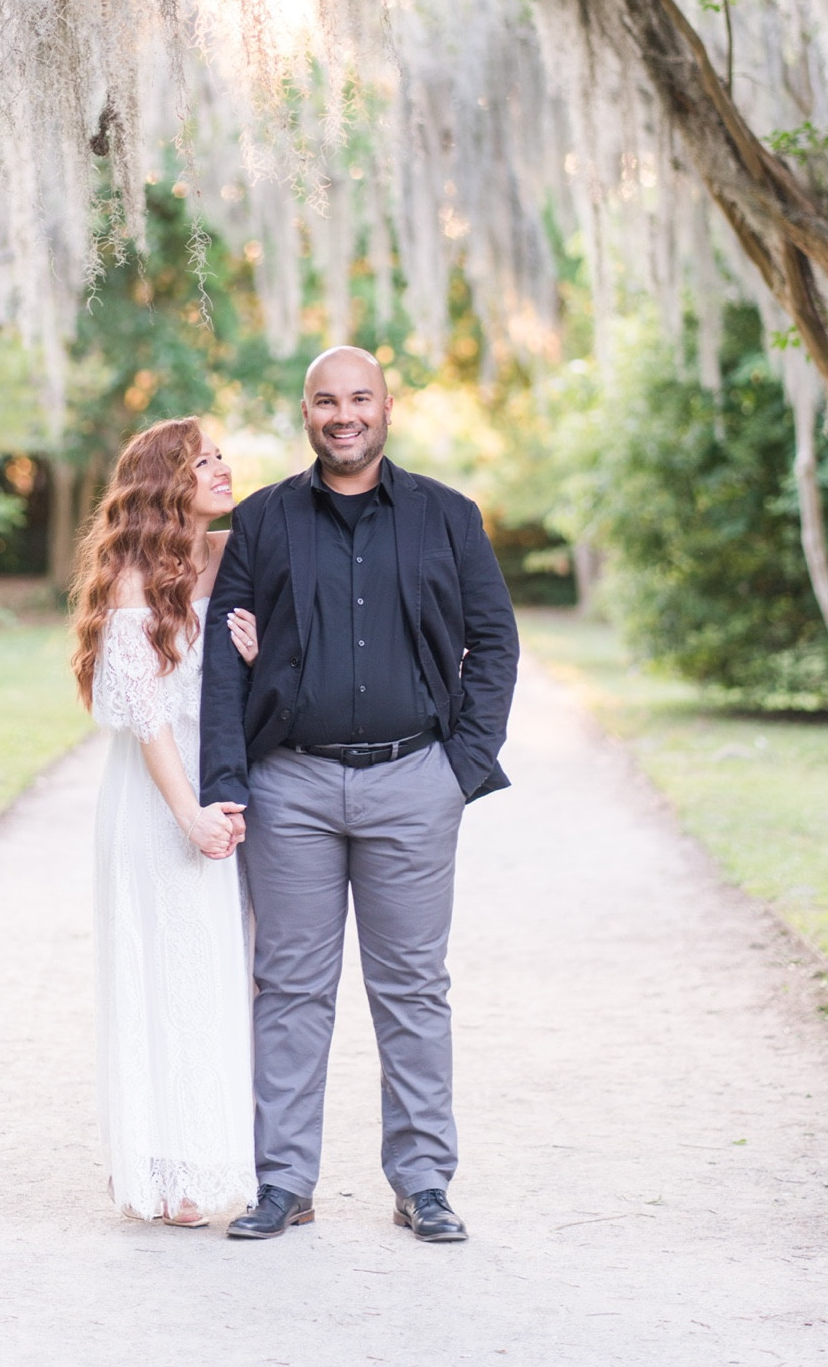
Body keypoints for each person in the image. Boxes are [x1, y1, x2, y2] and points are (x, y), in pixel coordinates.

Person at [200, 346, 519, 1245]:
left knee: (413, 990)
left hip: (414, 780)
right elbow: (222, 664)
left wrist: (460, 768)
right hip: (290, 784)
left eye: (359, 399)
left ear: (387, 408)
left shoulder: (447, 518)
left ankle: (422, 1183)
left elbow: (494, 644)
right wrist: (225, 782)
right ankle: (283, 1183)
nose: (344, 416)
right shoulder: (263, 522)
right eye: (325, 401)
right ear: (305, 413)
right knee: (289, 990)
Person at [72, 416, 260, 1226]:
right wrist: (187, 813)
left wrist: (252, 660)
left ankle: (201, 1157)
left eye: (222, 455)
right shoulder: (129, 579)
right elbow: (145, 712)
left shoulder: (231, 557)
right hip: (156, 801)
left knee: (210, 974)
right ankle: (156, 1165)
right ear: (164, 482)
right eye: (203, 460)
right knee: (157, 970)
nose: (222, 468)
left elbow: (242, 687)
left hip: (212, 787)